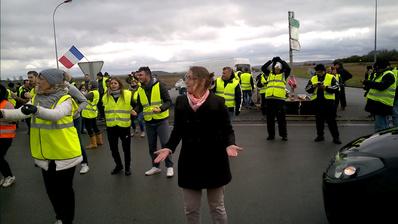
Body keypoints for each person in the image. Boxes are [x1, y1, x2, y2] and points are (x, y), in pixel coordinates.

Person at [154, 66, 242, 224]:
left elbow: (227, 129)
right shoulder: (181, 102)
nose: (186, 81)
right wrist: (169, 147)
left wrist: (230, 143)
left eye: (189, 77)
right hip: (190, 162)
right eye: (186, 77)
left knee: (217, 207)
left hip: (215, 161)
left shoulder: (218, 102)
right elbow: (177, 130)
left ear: (201, 81)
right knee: (191, 209)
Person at [0, 69, 82, 224]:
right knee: (51, 190)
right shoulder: (37, 98)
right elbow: (19, 113)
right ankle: (59, 217)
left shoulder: (66, 99)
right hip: (45, 154)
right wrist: (2, 113)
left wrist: (36, 110)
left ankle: (67, 220)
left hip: (65, 154)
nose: (37, 81)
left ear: (52, 81)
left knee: (64, 192)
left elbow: (55, 115)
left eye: (42, 79)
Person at [134, 66, 174, 177]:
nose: (138, 77)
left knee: (165, 144)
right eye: (138, 75)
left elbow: (168, 102)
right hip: (148, 122)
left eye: (140, 75)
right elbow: (140, 105)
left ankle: (169, 166)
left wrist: (160, 108)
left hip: (161, 120)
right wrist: (135, 111)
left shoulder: (159, 85)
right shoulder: (140, 89)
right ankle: (155, 167)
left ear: (148, 75)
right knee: (152, 146)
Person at [102, 77, 133, 176]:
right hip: (111, 127)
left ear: (119, 84)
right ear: (109, 85)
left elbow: (137, 105)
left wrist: (135, 111)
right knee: (113, 149)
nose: (113, 85)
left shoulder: (127, 94)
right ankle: (119, 166)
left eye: (115, 83)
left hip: (124, 126)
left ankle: (127, 168)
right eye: (111, 83)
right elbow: (103, 109)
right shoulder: (105, 96)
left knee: (126, 149)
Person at [306, 64, 341, 144]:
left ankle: (336, 138)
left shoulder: (331, 77)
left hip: (329, 103)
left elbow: (337, 87)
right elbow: (307, 89)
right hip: (317, 103)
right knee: (319, 121)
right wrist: (314, 86)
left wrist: (326, 88)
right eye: (317, 72)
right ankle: (320, 136)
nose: (318, 73)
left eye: (320, 72)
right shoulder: (313, 78)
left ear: (324, 71)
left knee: (331, 121)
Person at [64, 72, 91, 174]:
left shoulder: (70, 88)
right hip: (61, 120)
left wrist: (78, 110)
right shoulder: (53, 89)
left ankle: (84, 164)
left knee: (77, 141)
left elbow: (84, 100)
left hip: (75, 119)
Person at [261, 57, 290, 141]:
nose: (276, 70)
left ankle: (284, 135)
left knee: (281, 119)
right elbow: (263, 68)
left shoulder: (283, 75)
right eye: (275, 68)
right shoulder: (269, 74)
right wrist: (271, 61)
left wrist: (280, 61)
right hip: (269, 100)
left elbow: (288, 68)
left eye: (278, 68)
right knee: (270, 119)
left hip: (279, 100)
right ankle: (271, 135)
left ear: (281, 69)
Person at [363, 59, 396, 131]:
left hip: (382, 105)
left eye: (376, 67)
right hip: (378, 105)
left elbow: (382, 86)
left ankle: (383, 141)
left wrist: (368, 82)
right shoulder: (381, 74)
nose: (375, 69)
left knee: (381, 128)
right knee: (380, 126)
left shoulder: (388, 74)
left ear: (379, 66)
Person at [0, 84, 17, 187]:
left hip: (5, 137)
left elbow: (14, 119)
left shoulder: (7, 104)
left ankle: (9, 177)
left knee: (0, 157)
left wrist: (2, 117)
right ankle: (5, 176)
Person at [82, 81, 103, 149]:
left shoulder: (92, 93)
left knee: (89, 128)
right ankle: (99, 141)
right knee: (95, 127)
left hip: (88, 114)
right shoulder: (96, 92)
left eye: (90, 84)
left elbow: (83, 98)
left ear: (93, 85)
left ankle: (93, 144)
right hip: (93, 112)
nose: (89, 85)